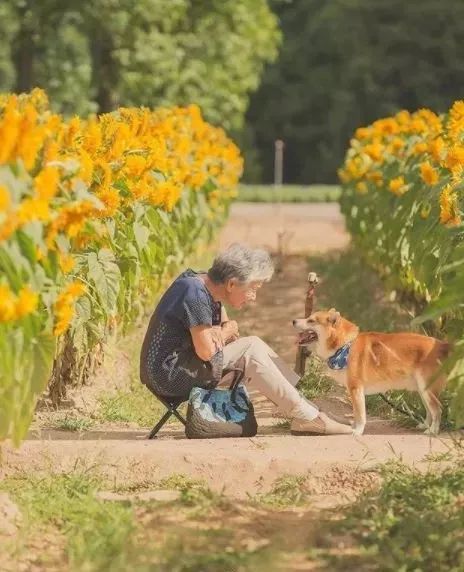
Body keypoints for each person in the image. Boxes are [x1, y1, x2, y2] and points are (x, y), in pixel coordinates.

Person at [140, 243, 352, 435]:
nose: (254, 297)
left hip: (181, 365)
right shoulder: (194, 293)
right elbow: (207, 350)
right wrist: (225, 331)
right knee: (249, 349)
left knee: (254, 344)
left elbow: (227, 331)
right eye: (253, 289)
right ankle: (307, 416)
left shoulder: (205, 285)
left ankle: (299, 406)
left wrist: (222, 331)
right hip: (168, 374)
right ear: (231, 284)